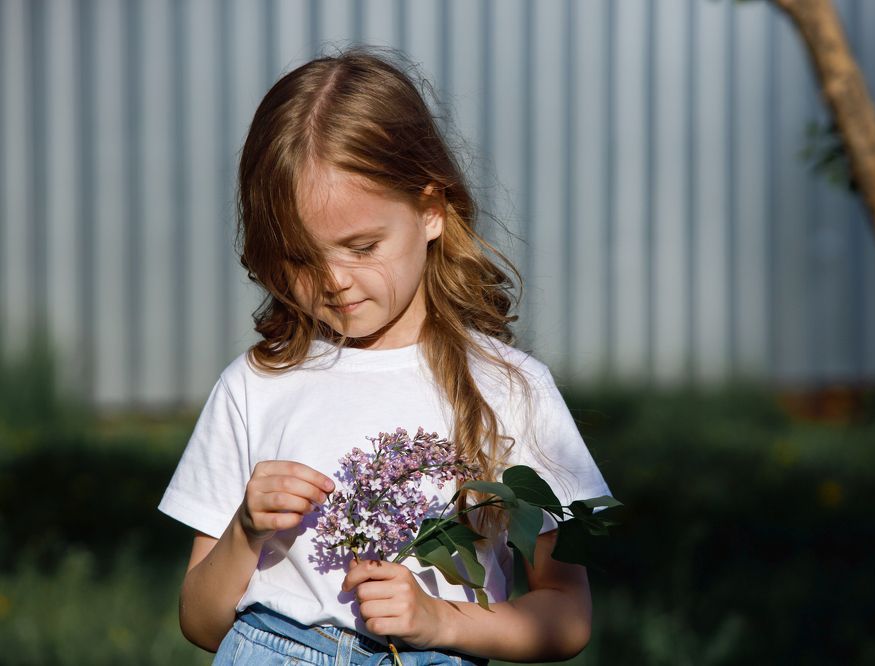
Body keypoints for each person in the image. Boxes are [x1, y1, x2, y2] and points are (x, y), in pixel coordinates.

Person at [158, 47, 612, 666]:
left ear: (430, 210)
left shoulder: (510, 390)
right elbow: (201, 622)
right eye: (299, 259)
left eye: (362, 246)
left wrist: (441, 620)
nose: (334, 281)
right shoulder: (254, 385)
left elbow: (567, 612)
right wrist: (244, 531)